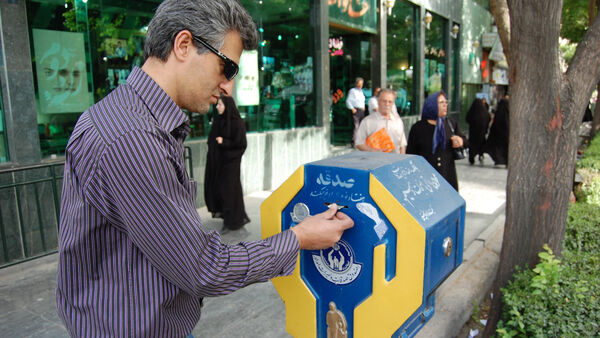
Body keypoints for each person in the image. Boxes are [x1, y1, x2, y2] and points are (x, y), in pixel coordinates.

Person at [56, 1, 354, 336]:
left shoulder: (130, 118)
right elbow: (204, 268)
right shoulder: (131, 137)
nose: (228, 86)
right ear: (183, 45)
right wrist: (299, 238)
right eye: (227, 68)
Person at [204, 95, 251, 233]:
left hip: (231, 164)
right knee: (221, 191)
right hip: (219, 163)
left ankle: (232, 222)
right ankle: (229, 218)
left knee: (229, 192)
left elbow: (241, 144)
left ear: (227, 106)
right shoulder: (219, 121)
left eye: (220, 105)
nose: (217, 107)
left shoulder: (237, 123)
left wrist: (223, 142)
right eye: (217, 105)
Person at [407, 91, 466, 191]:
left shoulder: (450, 123)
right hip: (425, 179)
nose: (445, 105)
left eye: (446, 102)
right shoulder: (418, 128)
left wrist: (460, 141)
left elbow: (465, 140)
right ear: (432, 105)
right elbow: (410, 154)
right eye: (441, 102)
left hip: (447, 175)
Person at [355, 89, 407, 154]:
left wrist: (402, 161)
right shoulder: (367, 121)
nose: (387, 104)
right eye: (384, 101)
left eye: (390, 102)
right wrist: (375, 152)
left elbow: (402, 146)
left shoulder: (398, 121)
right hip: (375, 162)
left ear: (393, 103)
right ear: (378, 101)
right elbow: (359, 144)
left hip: (395, 162)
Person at [484, 97, 510, 166]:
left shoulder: (498, 114)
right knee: (505, 149)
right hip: (506, 137)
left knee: (497, 148)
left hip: (497, 136)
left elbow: (494, 125)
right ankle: (505, 160)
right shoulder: (508, 114)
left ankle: (498, 159)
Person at [465, 98, 491, 165]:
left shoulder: (472, 112)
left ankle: (471, 158)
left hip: (473, 133)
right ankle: (481, 154)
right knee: (481, 144)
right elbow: (488, 118)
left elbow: (467, 119)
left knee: (472, 145)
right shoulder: (484, 112)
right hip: (481, 133)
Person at [346, 77, 366, 146]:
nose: (360, 85)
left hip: (361, 110)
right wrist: (352, 109)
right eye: (359, 84)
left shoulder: (361, 92)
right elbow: (348, 101)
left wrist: (363, 107)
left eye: (362, 84)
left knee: (361, 127)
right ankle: (354, 142)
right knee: (356, 126)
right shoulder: (352, 91)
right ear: (356, 84)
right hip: (356, 110)